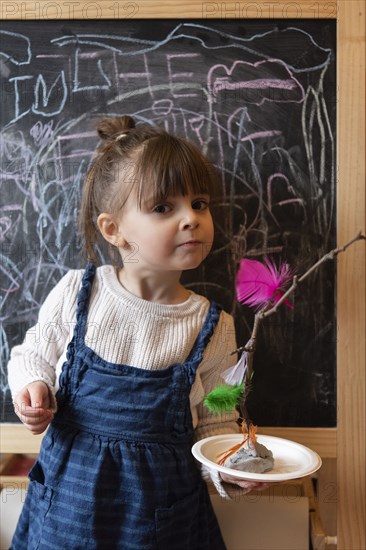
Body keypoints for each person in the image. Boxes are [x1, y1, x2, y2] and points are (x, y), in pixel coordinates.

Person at [8, 116, 265, 550]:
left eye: (199, 203)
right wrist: (32, 388)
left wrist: (229, 468)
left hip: (163, 524)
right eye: (164, 208)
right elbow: (32, 354)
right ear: (114, 230)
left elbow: (217, 422)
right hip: (67, 517)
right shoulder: (78, 292)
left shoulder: (213, 325)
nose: (191, 219)